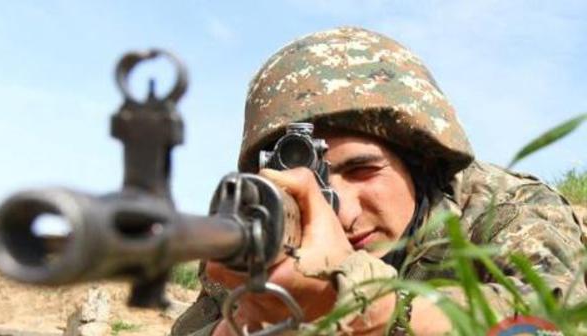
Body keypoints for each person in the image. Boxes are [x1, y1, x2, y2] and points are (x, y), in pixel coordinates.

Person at [172, 27, 586, 335]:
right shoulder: (262, 241)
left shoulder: (503, 209)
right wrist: (242, 323)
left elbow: (557, 321)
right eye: (313, 186)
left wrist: (367, 303)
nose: (345, 212)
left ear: (419, 162)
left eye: (362, 171)